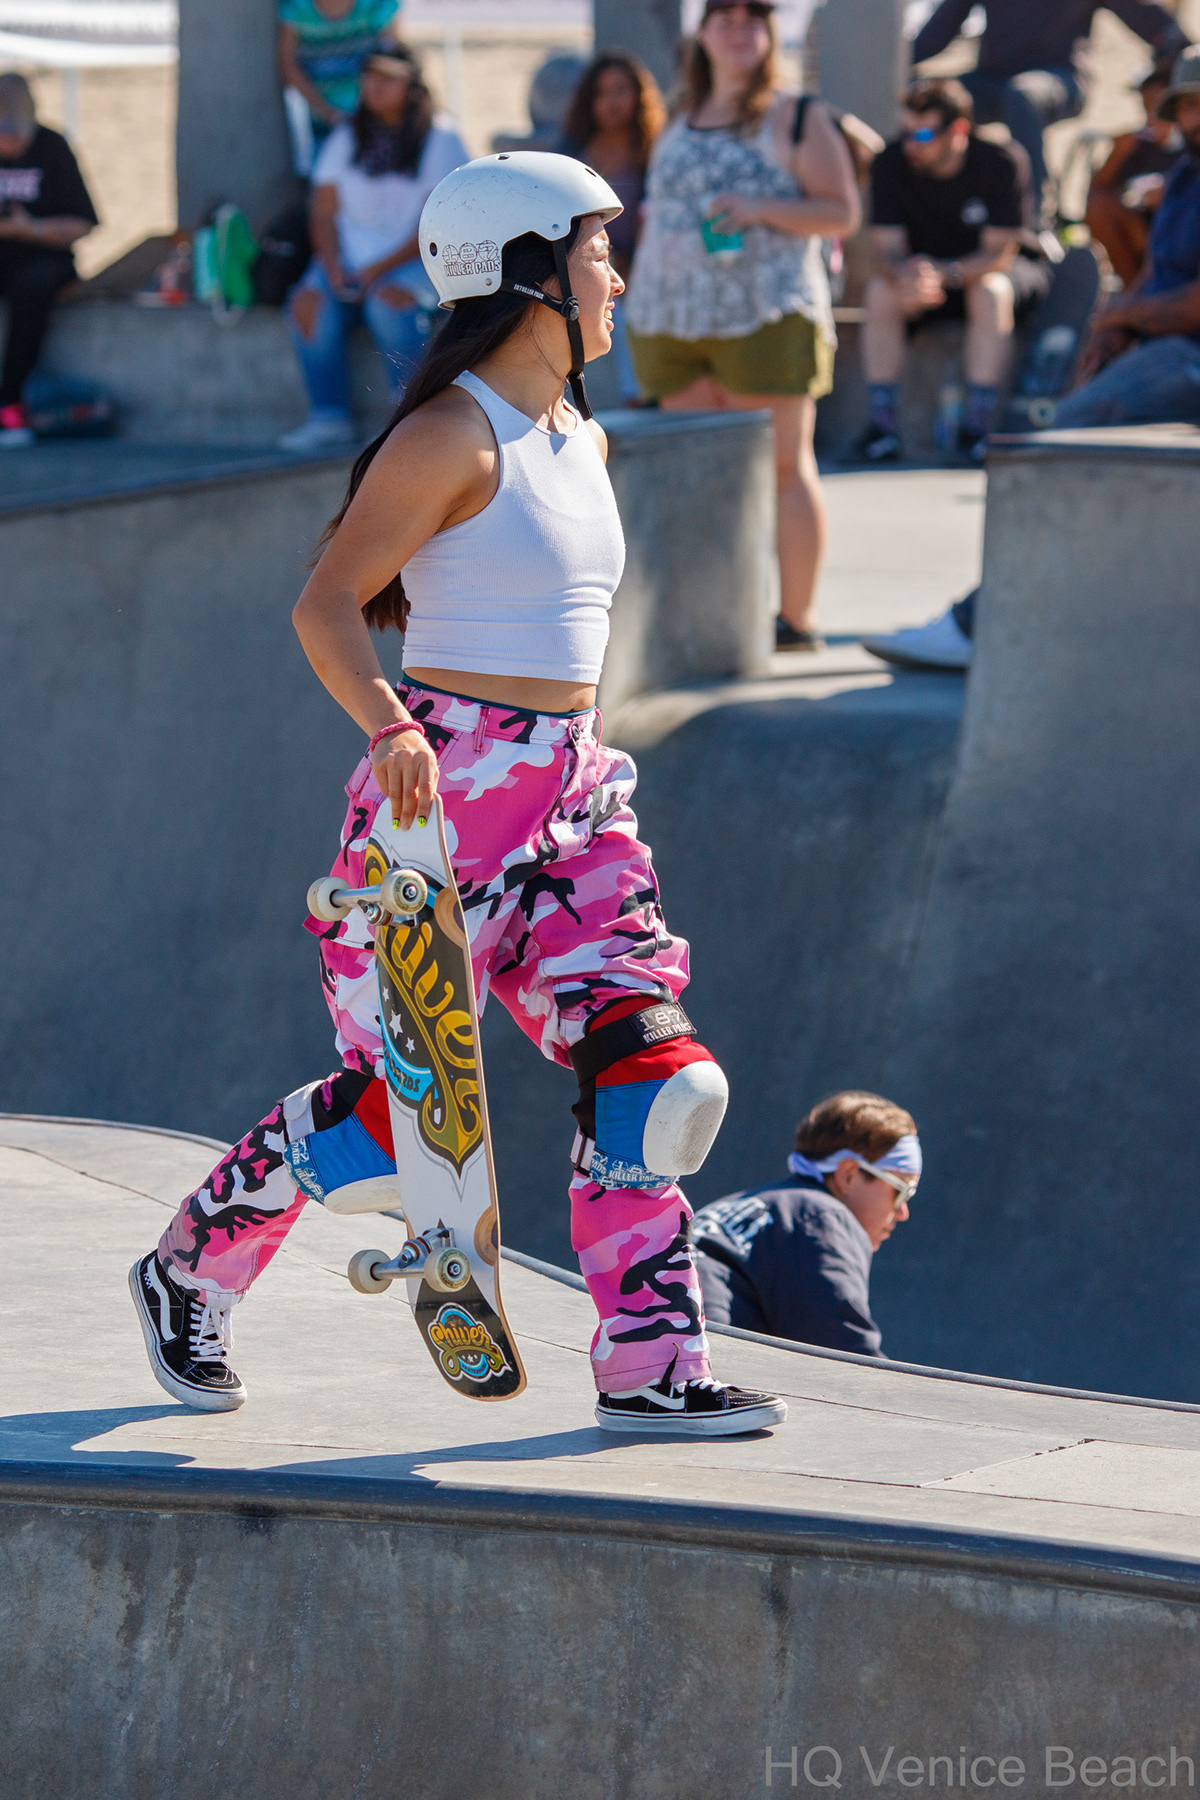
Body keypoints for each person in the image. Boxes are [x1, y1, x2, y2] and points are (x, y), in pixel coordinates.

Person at [130, 152, 786, 1439]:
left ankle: (649, 1365)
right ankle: (187, 1267)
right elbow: (326, 602)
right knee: (393, 1126)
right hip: (442, 806)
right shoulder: (451, 436)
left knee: (657, 1080)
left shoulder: (579, 434)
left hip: (574, 804)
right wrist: (387, 728)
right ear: (532, 270)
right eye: (597, 250)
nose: (616, 274)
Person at [623, 0, 860, 653]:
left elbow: (841, 211)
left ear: (770, 32)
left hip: (764, 311)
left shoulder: (797, 116)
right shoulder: (678, 113)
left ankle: (796, 619)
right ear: (701, 32)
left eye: (753, 17)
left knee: (782, 466)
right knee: (705, 475)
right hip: (673, 316)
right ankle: (717, 616)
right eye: (723, 15)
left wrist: (759, 208)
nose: (738, 27)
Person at [279, 43, 468, 453]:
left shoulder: (440, 138)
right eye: (369, 76)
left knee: (390, 301)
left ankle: (408, 416)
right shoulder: (347, 136)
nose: (375, 86)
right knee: (307, 303)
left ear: (411, 83)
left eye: (387, 77)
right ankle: (328, 417)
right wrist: (331, 267)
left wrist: (377, 269)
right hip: (349, 260)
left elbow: (437, 221)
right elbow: (323, 211)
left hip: (418, 260)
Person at [856, 78, 1043, 466]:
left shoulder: (1000, 161)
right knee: (879, 292)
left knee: (988, 292)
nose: (911, 144)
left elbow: (999, 253)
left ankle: (977, 430)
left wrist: (947, 275)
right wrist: (907, 274)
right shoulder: (891, 162)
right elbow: (885, 250)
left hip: (985, 275)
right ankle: (882, 428)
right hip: (922, 282)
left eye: (922, 134)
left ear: (958, 130)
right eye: (905, 132)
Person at [910, 0, 1187, 226]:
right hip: (992, 79)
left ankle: (1034, 217)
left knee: (1023, 96)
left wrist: (1183, 53)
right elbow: (938, 32)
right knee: (927, 101)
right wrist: (896, 70)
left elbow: (1147, 19)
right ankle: (925, 207)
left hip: (1060, 78)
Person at [691, 1091, 920, 1355]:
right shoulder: (821, 1217)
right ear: (848, 1175)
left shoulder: (741, 1204)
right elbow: (846, 1360)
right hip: (696, 1368)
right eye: (902, 1190)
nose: (903, 1212)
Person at [1048, 45, 1200, 428]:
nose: (1196, 117)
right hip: (1166, 346)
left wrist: (1120, 314)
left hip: (1188, 354)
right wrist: (1115, 328)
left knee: (1067, 432)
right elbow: (1152, 271)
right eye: (1188, 106)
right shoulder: (1184, 176)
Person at [562, 52, 667, 403]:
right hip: (581, 263)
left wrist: (635, 263)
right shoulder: (571, 152)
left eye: (621, 90)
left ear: (640, 96)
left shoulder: (655, 151)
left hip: (646, 264)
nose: (611, 102)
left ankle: (637, 398)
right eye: (601, 92)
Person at [0, 72, 97, 449]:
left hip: (41, 258)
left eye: (16, 132)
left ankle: (11, 402)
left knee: (32, 287)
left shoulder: (51, 146)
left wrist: (32, 230)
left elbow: (82, 222)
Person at [1086, 60, 1181, 288]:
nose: (1151, 118)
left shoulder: (1191, 143)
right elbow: (1092, 204)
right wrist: (1115, 156)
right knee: (1101, 209)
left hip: (1182, 235)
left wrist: (1170, 194)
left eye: (1158, 109)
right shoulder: (1136, 145)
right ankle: (1135, 293)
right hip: (1140, 235)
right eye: (1145, 108)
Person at [278, 0, 401, 172]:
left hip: (376, 128)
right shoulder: (297, 6)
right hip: (320, 131)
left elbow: (394, 63)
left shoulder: (378, 4)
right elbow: (288, 65)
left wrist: (364, 116)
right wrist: (328, 114)